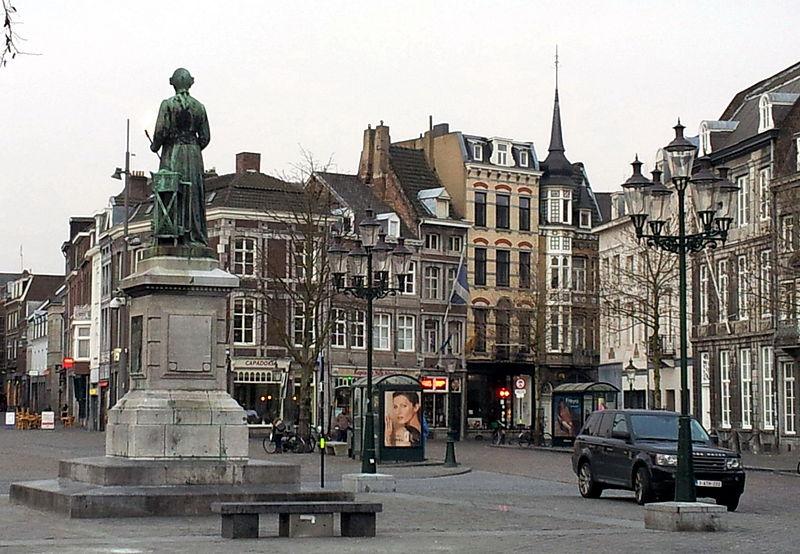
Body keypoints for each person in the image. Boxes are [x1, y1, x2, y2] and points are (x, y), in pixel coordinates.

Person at [150, 68, 211, 246]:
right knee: (193, 193)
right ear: (190, 82)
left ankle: (170, 236)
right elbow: (205, 137)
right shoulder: (200, 107)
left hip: (172, 152)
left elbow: (160, 131)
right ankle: (195, 235)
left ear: (172, 83)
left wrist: (155, 146)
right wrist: (194, 147)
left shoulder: (167, 104)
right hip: (194, 154)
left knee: (171, 190)